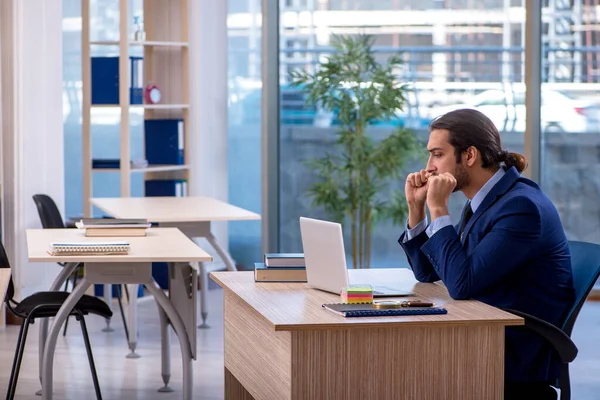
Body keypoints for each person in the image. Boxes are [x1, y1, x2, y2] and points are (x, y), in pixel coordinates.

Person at [398, 109, 575, 400]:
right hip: (482, 333)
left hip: (510, 354)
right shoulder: (483, 201)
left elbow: (461, 284)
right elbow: (429, 272)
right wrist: (416, 209)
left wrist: (439, 210)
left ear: (469, 155)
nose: (428, 167)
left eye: (437, 154)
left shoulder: (520, 207)